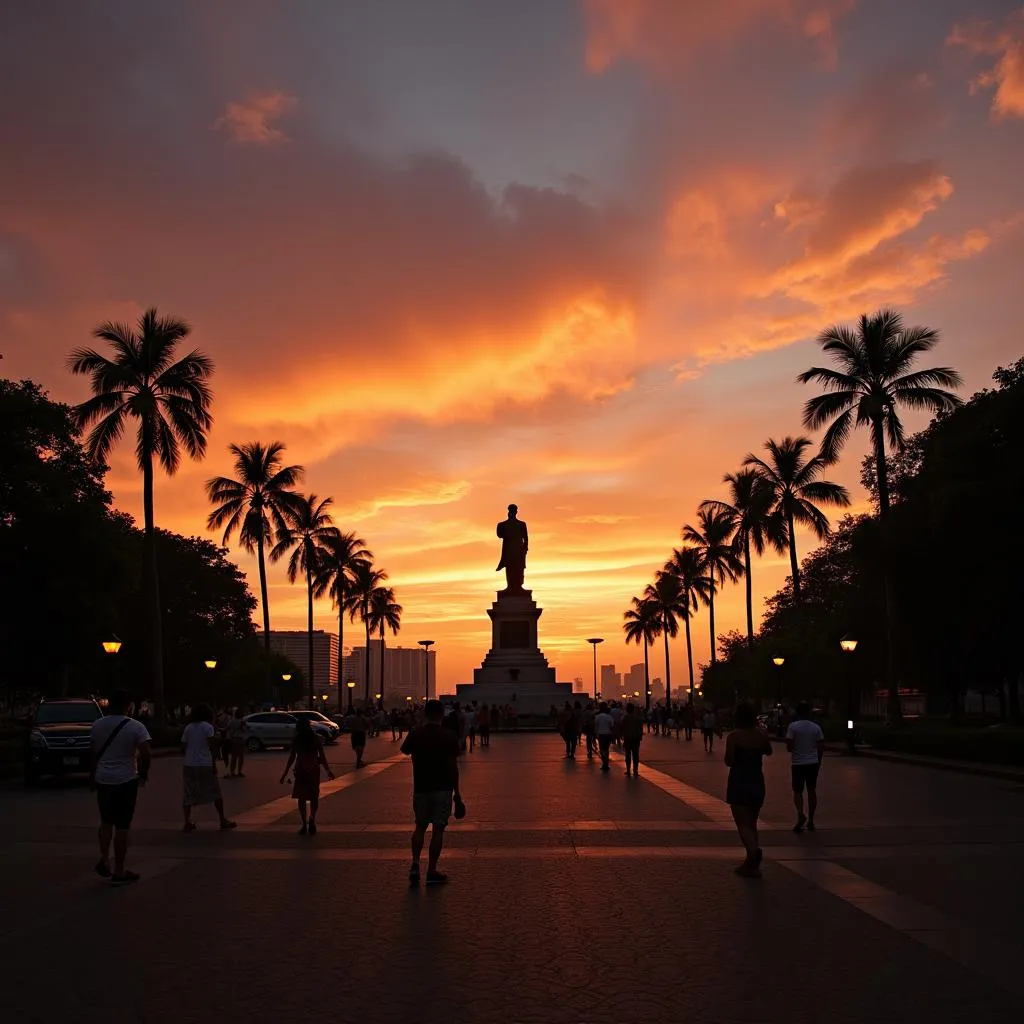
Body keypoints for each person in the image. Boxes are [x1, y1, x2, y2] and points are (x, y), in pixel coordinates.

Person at [90, 689, 151, 886]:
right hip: (126, 779)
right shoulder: (136, 727)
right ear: (128, 705)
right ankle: (119, 870)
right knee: (123, 826)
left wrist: (93, 776)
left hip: (103, 778)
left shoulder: (97, 725)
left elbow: (92, 752)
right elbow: (146, 754)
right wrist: (143, 774)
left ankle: (104, 858)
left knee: (106, 821)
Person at [400, 699, 464, 885]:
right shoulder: (449, 736)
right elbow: (454, 767)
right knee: (438, 829)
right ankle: (431, 870)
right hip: (443, 788)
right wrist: (457, 793)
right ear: (442, 714)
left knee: (420, 826)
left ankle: (414, 864)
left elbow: (405, 751)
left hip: (421, 786)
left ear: (425, 714)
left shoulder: (416, 733)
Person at [725, 702, 772, 877]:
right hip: (757, 780)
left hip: (739, 781)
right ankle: (751, 862)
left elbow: (728, 760)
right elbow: (769, 751)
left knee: (742, 823)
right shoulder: (761, 734)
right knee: (752, 822)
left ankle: (753, 853)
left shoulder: (734, 736)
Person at [181, 704, 237, 832]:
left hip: (189, 764)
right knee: (215, 792)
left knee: (188, 793)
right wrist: (214, 763)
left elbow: (183, 746)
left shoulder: (188, 728)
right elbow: (213, 746)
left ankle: (187, 822)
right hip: (204, 763)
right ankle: (222, 819)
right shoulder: (208, 727)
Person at [280, 718, 335, 835]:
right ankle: (312, 819)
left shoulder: (297, 740)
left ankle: (304, 824)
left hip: (301, 770)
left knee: (302, 797)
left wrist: (285, 773)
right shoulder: (315, 738)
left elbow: (292, 757)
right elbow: (323, 757)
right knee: (314, 796)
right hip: (314, 769)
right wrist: (328, 770)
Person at [786, 701, 825, 833]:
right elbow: (821, 746)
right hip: (812, 762)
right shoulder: (816, 727)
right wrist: (818, 760)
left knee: (797, 791)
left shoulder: (793, 727)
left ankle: (800, 814)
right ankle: (812, 820)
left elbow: (789, 747)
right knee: (812, 790)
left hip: (798, 763)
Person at [621, 702, 644, 777]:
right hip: (635, 738)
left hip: (627, 738)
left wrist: (622, 736)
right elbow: (640, 729)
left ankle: (628, 770)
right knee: (635, 755)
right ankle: (635, 771)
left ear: (627, 710)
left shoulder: (625, 718)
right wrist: (640, 737)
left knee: (627, 755)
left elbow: (623, 728)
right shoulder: (637, 718)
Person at [226, 707, 247, 778]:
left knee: (233, 757)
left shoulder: (232, 721)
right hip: (240, 740)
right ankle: (239, 771)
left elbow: (227, 728)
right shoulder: (242, 722)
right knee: (241, 756)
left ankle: (232, 772)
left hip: (233, 739)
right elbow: (244, 730)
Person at [594, 701, 614, 771]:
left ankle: (604, 763)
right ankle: (606, 763)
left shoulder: (598, 717)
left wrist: (596, 734)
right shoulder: (609, 717)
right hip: (608, 734)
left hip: (601, 735)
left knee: (602, 750)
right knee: (607, 749)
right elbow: (611, 726)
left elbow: (596, 726)